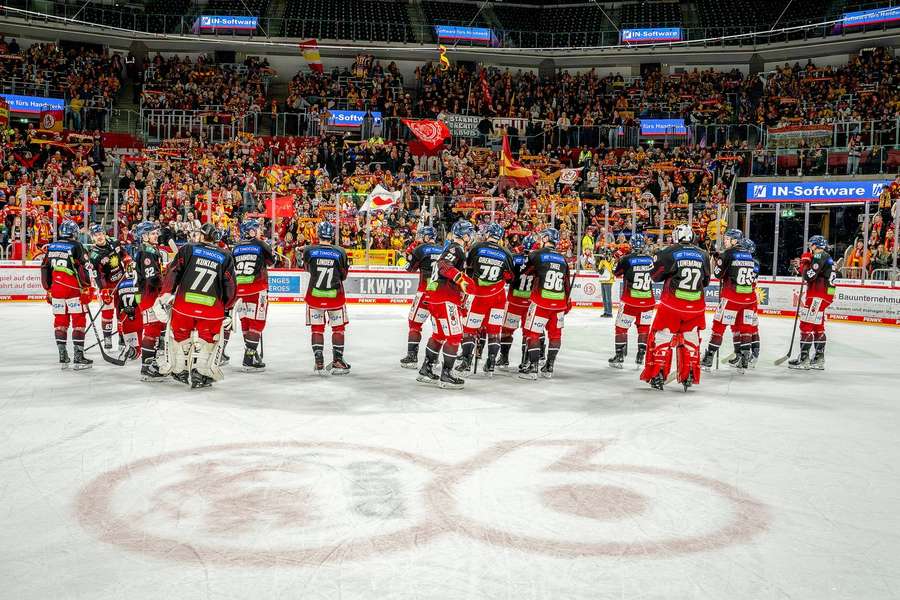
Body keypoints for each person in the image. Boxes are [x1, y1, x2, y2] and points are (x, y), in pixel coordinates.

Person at [159, 223, 237, 388]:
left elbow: (173, 271)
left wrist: (166, 292)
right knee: (207, 340)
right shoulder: (225, 256)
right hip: (211, 309)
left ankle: (179, 369)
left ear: (201, 235)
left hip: (184, 306)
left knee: (180, 336)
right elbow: (230, 286)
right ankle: (199, 374)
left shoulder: (188, 249)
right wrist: (228, 306)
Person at [640, 224, 711, 391]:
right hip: (695, 307)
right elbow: (706, 281)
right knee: (691, 340)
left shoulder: (669, 252)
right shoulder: (703, 254)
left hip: (672, 305)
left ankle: (657, 374)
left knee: (662, 338)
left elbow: (655, 276)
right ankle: (690, 374)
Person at [417, 220, 475, 389]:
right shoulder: (455, 249)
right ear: (464, 235)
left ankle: (426, 370)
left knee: (439, 335)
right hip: (445, 299)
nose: (471, 237)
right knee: (454, 336)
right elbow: (444, 266)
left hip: (435, 298)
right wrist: (460, 279)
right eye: (470, 233)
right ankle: (446, 375)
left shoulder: (449, 248)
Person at [456, 222, 515, 376]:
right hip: (498, 296)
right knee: (494, 331)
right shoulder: (507, 252)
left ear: (488, 234)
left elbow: (468, 268)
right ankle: (490, 363)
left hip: (479, 295)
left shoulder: (477, 247)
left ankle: (466, 362)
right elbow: (509, 276)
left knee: (470, 330)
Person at [700, 229, 757, 371]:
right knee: (745, 328)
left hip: (731, 298)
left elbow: (718, 275)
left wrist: (719, 261)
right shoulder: (749, 255)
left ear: (735, 241)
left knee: (719, 326)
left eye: (727, 238)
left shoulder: (727, 254)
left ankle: (709, 357)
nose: (725, 241)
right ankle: (744, 359)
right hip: (748, 299)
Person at [519, 227, 572, 380]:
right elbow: (567, 284)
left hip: (540, 302)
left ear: (546, 238)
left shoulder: (536, 254)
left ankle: (533, 368)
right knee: (555, 335)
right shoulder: (563, 259)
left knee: (533, 333)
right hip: (559, 303)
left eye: (542, 237)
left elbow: (525, 272)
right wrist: (566, 303)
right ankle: (549, 366)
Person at [300, 221, 351, 375]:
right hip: (335, 297)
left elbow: (307, 269)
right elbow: (344, 275)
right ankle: (337, 361)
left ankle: (319, 362)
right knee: (338, 329)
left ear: (319, 233)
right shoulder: (340, 251)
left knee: (317, 329)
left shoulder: (309, 250)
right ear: (332, 235)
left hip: (315, 296)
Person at [40, 220, 92, 370]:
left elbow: (45, 267)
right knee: (79, 320)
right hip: (73, 288)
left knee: (60, 321)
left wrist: (48, 288)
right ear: (74, 233)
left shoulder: (52, 246)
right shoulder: (76, 245)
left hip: (57, 288)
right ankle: (78, 356)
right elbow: (86, 267)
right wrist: (87, 287)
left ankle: (63, 356)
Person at [231, 218, 277, 372]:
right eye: (257, 229)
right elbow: (272, 261)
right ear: (251, 231)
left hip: (239, 291)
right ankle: (249, 358)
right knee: (257, 323)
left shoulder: (236, 247)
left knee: (246, 323)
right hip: (257, 289)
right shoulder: (260, 244)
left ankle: (251, 352)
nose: (260, 231)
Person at [608, 232, 655, 368]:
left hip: (630, 301)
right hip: (648, 300)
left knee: (621, 328)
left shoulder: (627, 259)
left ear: (632, 244)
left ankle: (620, 356)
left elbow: (616, 273)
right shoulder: (650, 259)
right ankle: (641, 355)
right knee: (644, 328)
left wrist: (616, 260)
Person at [789, 235, 835, 370]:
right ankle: (819, 358)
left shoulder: (820, 256)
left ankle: (804, 359)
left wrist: (804, 264)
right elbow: (813, 273)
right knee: (817, 326)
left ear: (816, 246)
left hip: (817, 295)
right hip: (825, 295)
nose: (810, 247)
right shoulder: (827, 257)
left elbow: (809, 276)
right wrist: (803, 267)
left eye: (811, 245)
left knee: (806, 324)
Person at [401, 226, 443, 369]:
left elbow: (410, 268)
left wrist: (407, 255)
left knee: (415, 324)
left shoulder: (421, 249)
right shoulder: (443, 249)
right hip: (440, 294)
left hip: (424, 292)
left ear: (426, 236)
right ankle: (434, 358)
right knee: (438, 329)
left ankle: (412, 357)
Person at [134, 221, 166, 381]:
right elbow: (152, 278)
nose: (156, 235)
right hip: (148, 296)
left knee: (156, 328)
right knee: (152, 329)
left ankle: (151, 363)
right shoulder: (147, 251)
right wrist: (166, 284)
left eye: (156, 232)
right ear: (144, 236)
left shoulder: (151, 249)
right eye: (152, 233)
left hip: (150, 295)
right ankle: (147, 367)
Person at [88, 223, 129, 350]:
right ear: (92, 238)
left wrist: (128, 261)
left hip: (122, 282)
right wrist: (104, 290)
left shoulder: (115, 242)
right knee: (107, 312)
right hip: (108, 286)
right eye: (96, 235)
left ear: (104, 234)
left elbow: (124, 254)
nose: (99, 237)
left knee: (122, 310)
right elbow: (98, 275)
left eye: (100, 233)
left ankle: (122, 337)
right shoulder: (94, 255)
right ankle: (107, 337)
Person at [499, 234, 535, 372]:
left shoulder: (515, 258)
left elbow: (508, 277)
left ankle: (504, 358)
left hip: (514, 301)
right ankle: (525, 361)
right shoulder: (537, 260)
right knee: (529, 333)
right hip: (530, 303)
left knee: (507, 331)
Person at [114, 261, 142, 362]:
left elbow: (117, 306)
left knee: (133, 344)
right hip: (138, 317)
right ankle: (158, 342)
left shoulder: (120, 284)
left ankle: (128, 346)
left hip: (125, 319)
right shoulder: (141, 282)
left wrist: (119, 321)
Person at [596, 249, 615, 317]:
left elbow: (611, 270)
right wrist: (601, 263)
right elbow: (600, 270)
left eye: (605, 254)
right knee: (604, 297)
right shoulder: (602, 261)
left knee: (608, 297)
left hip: (609, 280)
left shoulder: (612, 261)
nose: (604, 256)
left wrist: (606, 262)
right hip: (603, 279)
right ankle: (606, 311)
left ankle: (609, 312)